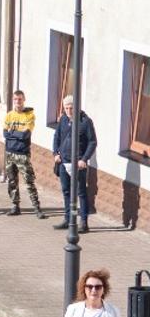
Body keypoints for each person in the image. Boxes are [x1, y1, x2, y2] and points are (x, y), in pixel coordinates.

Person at [50, 95, 98, 232]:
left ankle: (84, 222)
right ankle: (68, 219)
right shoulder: (63, 120)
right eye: (66, 108)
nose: (69, 111)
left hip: (78, 164)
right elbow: (57, 137)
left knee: (81, 192)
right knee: (66, 191)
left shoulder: (86, 122)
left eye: (71, 108)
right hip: (64, 162)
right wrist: (55, 153)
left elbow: (92, 142)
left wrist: (84, 159)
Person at [2, 90, 43, 216]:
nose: (17, 102)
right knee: (12, 181)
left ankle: (36, 207)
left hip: (22, 153)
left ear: (23, 100)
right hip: (9, 153)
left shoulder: (29, 115)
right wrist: (16, 134)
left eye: (20, 99)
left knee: (29, 181)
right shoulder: (9, 115)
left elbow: (25, 135)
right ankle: (15, 206)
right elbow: (5, 134)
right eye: (15, 99)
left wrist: (12, 133)